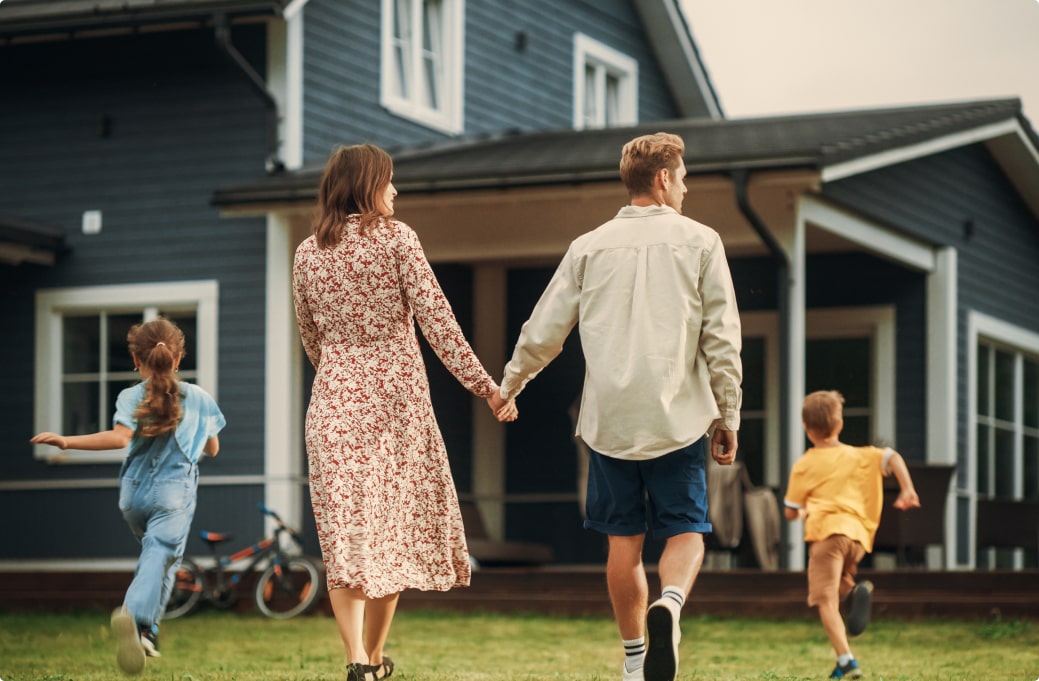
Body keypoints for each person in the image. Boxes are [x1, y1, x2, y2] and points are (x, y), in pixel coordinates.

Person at [497, 132, 743, 681]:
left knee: (622, 544)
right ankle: (671, 604)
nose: (685, 187)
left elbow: (545, 328)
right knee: (686, 531)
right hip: (676, 419)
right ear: (662, 179)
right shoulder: (702, 241)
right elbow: (722, 338)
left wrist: (510, 384)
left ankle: (635, 663)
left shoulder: (588, 246)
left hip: (608, 423)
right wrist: (728, 414)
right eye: (682, 177)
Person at [292, 143, 516, 681]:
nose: (396, 191)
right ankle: (371, 659)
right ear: (370, 184)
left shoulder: (306, 252)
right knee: (391, 536)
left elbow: (311, 336)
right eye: (390, 181)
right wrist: (486, 388)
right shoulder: (397, 240)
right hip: (395, 413)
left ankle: (356, 660)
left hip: (332, 409)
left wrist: (344, 371)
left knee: (344, 539)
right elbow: (440, 324)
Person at [31, 318, 225, 675]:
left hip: (133, 496)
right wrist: (198, 434)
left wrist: (66, 441)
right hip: (173, 494)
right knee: (162, 553)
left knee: (162, 557)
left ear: (137, 360)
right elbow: (212, 449)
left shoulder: (130, 396)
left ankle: (148, 633)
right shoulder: (199, 398)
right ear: (178, 358)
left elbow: (119, 439)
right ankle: (135, 616)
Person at [783, 390, 920, 680]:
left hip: (827, 535)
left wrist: (803, 510)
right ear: (840, 424)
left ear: (806, 429)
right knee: (839, 583)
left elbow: (790, 511)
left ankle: (846, 660)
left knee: (824, 600)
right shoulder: (861, 455)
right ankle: (855, 591)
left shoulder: (805, 464)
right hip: (858, 538)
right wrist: (907, 489)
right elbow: (892, 457)